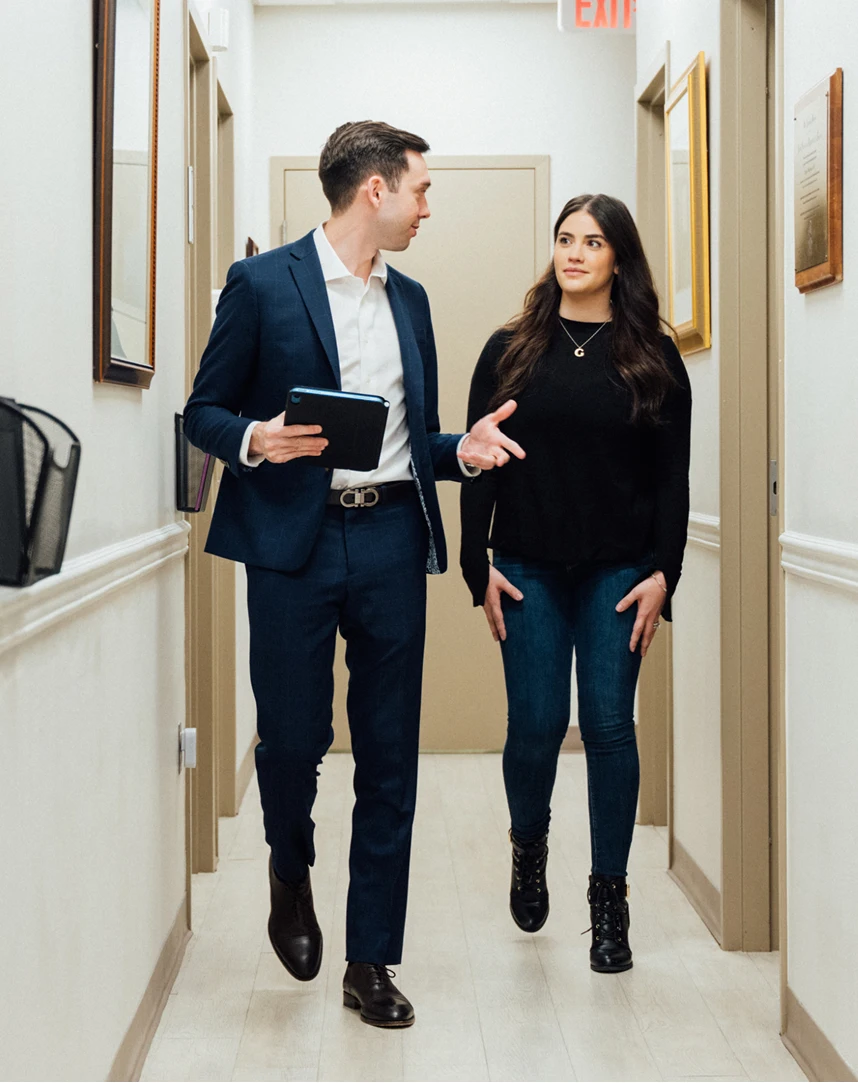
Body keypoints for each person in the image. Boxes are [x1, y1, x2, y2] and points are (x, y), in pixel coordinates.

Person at [183, 121, 523, 1028]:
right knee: (292, 741)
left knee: (389, 754)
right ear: (375, 189)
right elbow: (202, 411)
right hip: (290, 546)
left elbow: (414, 442)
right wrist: (256, 439)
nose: (425, 208)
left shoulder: (412, 300)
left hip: (390, 541)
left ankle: (371, 958)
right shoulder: (263, 284)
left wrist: (464, 451)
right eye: (420, 189)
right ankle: (288, 866)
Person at [460, 193, 691, 973]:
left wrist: (664, 573)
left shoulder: (653, 357)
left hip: (619, 571)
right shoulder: (510, 349)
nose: (575, 253)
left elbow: (672, 478)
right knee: (535, 724)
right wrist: (478, 566)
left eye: (593, 242)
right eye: (566, 239)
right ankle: (529, 845)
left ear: (618, 258)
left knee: (608, 726)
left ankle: (609, 900)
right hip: (525, 566)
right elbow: (479, 459)